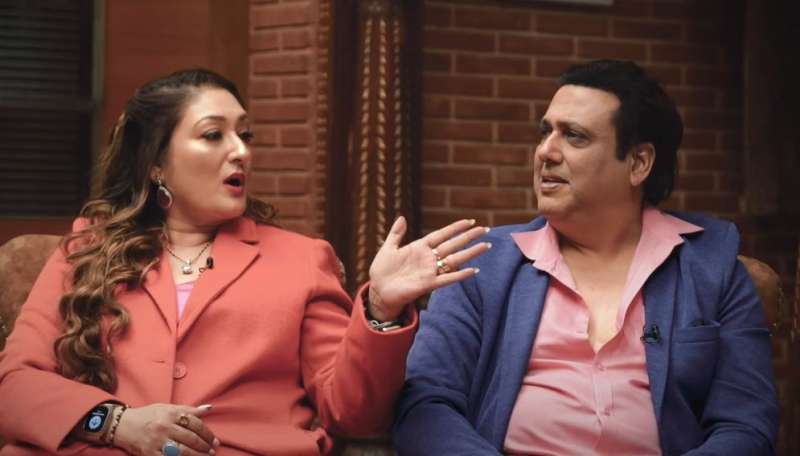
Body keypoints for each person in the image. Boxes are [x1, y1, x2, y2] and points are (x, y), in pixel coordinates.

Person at [0, 69, 491, 455]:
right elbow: (14, 386)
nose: (241, 152)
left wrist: (381, 309)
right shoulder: (85, 249)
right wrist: (116, 423)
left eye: (246, 135)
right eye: (213, 135)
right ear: (155, 163)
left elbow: (353, 415)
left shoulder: (301, 260)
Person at [393, 60, 779, 455]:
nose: (545, 152)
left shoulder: (712, 268)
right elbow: (425, 406)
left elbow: (746, 426)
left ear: (638, 163)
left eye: (574, 136)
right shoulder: (481, 265)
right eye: (545, 132)